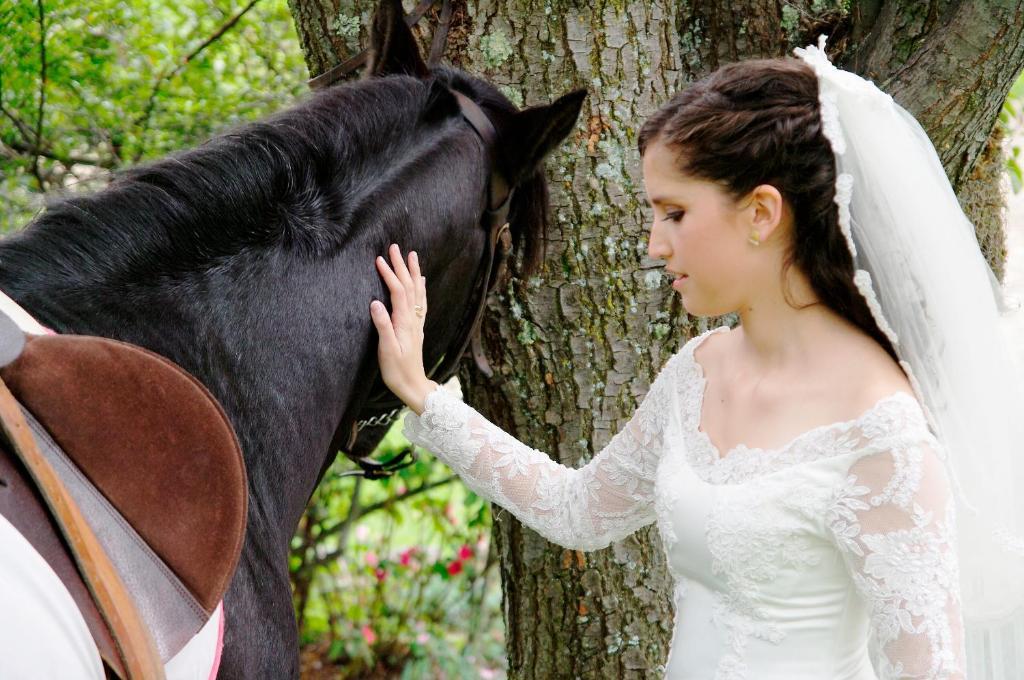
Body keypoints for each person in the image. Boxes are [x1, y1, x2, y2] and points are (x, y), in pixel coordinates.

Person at [368, 38, 1024, 679]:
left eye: (675, 213)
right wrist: (424, 396)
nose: (656, 245)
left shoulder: (884, 438)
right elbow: (580, 510)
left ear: (762, 212)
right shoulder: (699, 369)